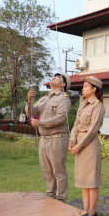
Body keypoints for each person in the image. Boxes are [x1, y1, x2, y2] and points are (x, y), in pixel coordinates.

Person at [25, 73, 71, 203]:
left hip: (57, 138)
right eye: (54, 76)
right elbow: (31, 112)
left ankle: (60, 198)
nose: (54, 77)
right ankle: (50, 195)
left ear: (63, 84)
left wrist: (41, 123)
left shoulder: (64, 99)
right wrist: (29, 100)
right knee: (46, 170)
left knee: (58, 170)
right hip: (44, 139)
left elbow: (61, 117)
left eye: (58, 77)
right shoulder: (44, 98)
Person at [69, 76, 105, 216]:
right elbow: (76, 124)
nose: (82, 89)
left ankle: (92, 213)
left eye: (85, 86)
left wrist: (78, 146)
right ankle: (85, 210)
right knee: (83, 181)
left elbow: (92, 130)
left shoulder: (98, 106)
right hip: (79, 144)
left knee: (92, 181)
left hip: (89, 146)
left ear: (94, 89)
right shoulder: (83, 104)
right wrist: (72, 139)